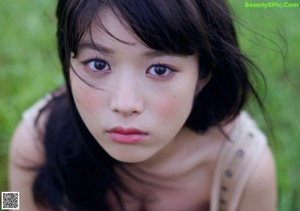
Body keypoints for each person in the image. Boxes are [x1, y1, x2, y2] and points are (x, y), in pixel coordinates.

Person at [9, 0, 277, 210]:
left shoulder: (245, 171)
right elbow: (11, 204)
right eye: (98, 64)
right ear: (68, 65)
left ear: (203, 74)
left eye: (160, 69)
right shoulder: (35, 140)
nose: (125, 104)